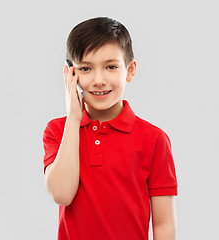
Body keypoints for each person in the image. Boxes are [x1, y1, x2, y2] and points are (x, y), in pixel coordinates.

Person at [43, 16, 178, 240]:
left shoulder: (154, 139)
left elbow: (164, 225)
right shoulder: (58, 131)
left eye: (111, 67)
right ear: (70, 75)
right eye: (85, 69)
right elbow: (61, 194)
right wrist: (73, 120)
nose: (99, 80)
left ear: (130, 70)